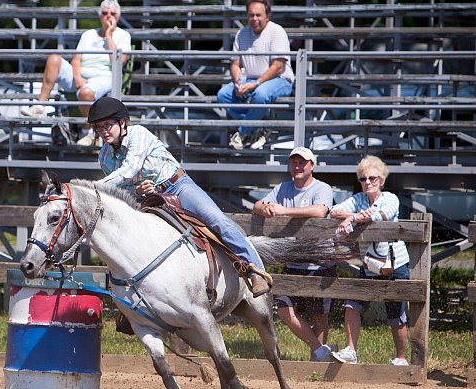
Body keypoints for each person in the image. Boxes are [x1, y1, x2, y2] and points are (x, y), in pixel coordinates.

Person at [89, 96, 272, 297]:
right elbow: (121, 190)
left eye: (108, 125)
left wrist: (92, 187)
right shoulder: (104, 156)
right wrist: (138, 192)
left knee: (216, 220)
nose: (104, 131)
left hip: (177, 187)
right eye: (99, 127)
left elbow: (130, 169)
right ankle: (135, 296)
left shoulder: (138, 133)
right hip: (148, 200)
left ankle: (255, 271)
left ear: (122, 122)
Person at [252, 146, 337, 362]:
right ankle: (320, 352)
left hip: (319, 260)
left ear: (312, 166)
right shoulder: (283, 188)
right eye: (294, 162)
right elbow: (257, 205)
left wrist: (282, 211)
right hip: (292, 258)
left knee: (319, 315)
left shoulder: (323, 188)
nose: (297, 167)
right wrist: (266, 209)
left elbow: (320, 211)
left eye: (302, 163)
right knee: (283, 309)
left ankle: (316, 359)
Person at [330, 156, 411, 366]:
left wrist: (352, 218)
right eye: (363, 178)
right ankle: (351, 351)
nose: (367, 182)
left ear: (381, 181)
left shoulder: (391, 198)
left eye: (372, 178)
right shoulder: (358, 199)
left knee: (397, 312)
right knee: (352, 304)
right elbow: (333, 211)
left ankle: (401, 357)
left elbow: (381, 215)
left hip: (394, 263)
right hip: (370, 263)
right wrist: (353, 215)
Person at [20, 0, 131, 146]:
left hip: (106, 76)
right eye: (105, 13)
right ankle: (40, 105)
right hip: (81, 75)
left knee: (85, 92)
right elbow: (76, 59)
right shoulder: (88, 34)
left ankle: (88, 131)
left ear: (118, 16)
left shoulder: (123, 36)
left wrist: (109, 35)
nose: (108, 16)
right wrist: (78, 77)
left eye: (112, 13)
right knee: (54, 59)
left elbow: (118, 62)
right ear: (100, 15)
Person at [216, 0, 294, 150]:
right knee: (222, 95)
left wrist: (256, 83)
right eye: (251, 15)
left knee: (260, 95)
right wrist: (238, 82)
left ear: (267, 16)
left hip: (280, 79)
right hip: (250, 79)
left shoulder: (277, 31)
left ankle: (243, 132)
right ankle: (259, 125)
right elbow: (235, 64)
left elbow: (278, 66)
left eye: (258, 15)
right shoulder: (242, 33)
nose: (254, 19)